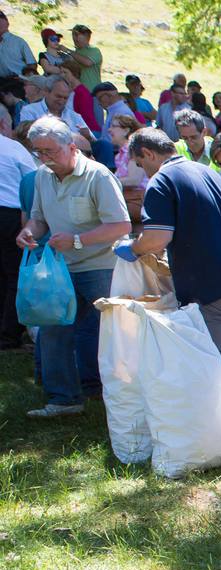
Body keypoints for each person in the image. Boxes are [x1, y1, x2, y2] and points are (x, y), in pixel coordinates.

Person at [125, 127, 221, 438]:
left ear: (149, 154)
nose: (144, 171)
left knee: (211, 357)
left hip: (209, 284)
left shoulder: (161, 182)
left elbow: (157, 237)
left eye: (141, 164)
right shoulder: (206, 171)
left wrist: (133, 248)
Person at [16, 116, 130, 417]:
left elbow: (120, 225)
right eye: (38, 151)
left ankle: (120, 396)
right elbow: (38, 218)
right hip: (62, 268)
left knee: (112, 335)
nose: (44, 158)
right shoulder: (42, 175)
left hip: (102, 267)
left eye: (50, 151)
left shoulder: (99, 176)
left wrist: (77, 240)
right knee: (53, 329)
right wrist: (29, 231)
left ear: (71, 146)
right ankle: (63, 399)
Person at [0, 121, 35, 349]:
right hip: (10, 215)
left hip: (9, 214)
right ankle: (9, 332)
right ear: (3, 124)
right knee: (14, 274)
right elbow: (33, 179)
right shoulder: (13, 148)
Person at [107, 113, 148, 223]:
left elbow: (134, 180)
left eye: (113, 126)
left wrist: (106, 182)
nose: (109, 130)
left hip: (138, 202)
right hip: (128, 200)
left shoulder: (133, 151)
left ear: (126, 130)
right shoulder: (120, 155)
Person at [0, 11, 35, 78]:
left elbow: (32, 64)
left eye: (1, 20)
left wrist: (25, 78)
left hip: (18, 81)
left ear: (7, 23)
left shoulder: (19, 42)